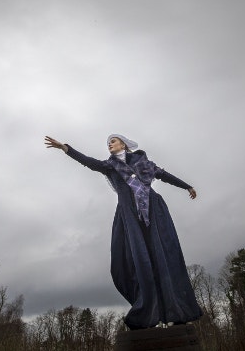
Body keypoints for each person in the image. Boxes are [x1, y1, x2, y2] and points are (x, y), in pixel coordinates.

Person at [44, 134, 202, 330]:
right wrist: (66, 148)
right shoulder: (110, 165)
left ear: (124, 145)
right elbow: (89, 162)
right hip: (130, 216)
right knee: (138, 261)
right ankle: (151, 313)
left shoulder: (145, 163)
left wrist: (187, 186)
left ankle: (174, 312)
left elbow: (165, 175)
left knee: (162, 258)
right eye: (107, 143)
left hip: (154, 212)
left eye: (113, 141)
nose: (109, 144)